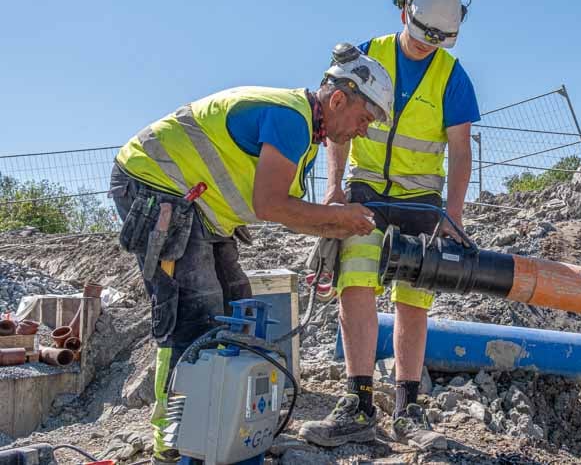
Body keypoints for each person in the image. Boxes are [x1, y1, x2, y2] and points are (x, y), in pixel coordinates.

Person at [110, 44, 391, 464]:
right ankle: (171, 442)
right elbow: (270, 206)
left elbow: (288, 214)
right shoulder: (290, 119)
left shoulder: (306, 138)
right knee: (193, 314)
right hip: (154, 186)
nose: (363, 131)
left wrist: (337, 223)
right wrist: (341, 217)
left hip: (200, 210)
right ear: (337, 99)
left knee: (236, 307)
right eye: (364, 119)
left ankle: (222, 426)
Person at [299, 0, 480, 450]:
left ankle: (408, 406)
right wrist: (334, 187)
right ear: (404, 14)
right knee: (355, 283)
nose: (425, 48)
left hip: (423, 205)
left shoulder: (452, 75)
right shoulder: (367, 53)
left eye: (436, 42)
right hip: (366, 196)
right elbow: (338, 124)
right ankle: (358, 403)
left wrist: (453, 215)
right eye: (421, 37)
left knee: (413, 301)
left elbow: (461, 152)